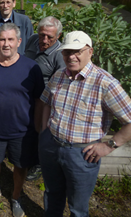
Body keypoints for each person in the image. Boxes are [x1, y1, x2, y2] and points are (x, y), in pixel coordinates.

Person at [39, 31, 131, 217]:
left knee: (78, 207)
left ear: (90, 51)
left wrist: (109, 145)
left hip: (82, 154)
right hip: (51, 145)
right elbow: (46, 102)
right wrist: (43, 131)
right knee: (52, 194)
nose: (71, 57)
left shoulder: (105, 83)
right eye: (67, 52)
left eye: (77, 51)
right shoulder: (59, 75)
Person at [0, 23, 44, 217]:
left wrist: (38, 125)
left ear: (19, 42)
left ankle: (16, 195)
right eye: (2, 39)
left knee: (20, 164)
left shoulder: (31, 67)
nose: (6, 44)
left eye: (10, 40)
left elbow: (39, 99)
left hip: (22, 130)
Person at [24, 16, 66, 181]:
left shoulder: (60, 54)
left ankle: (40, 163)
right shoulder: (32, 40)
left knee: (41, 131)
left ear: (58, 37)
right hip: (26, 94)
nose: (44, 40)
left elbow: (61, 84)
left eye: (50, 37)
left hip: (44, 99)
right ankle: (27, 154)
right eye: (42, 34)